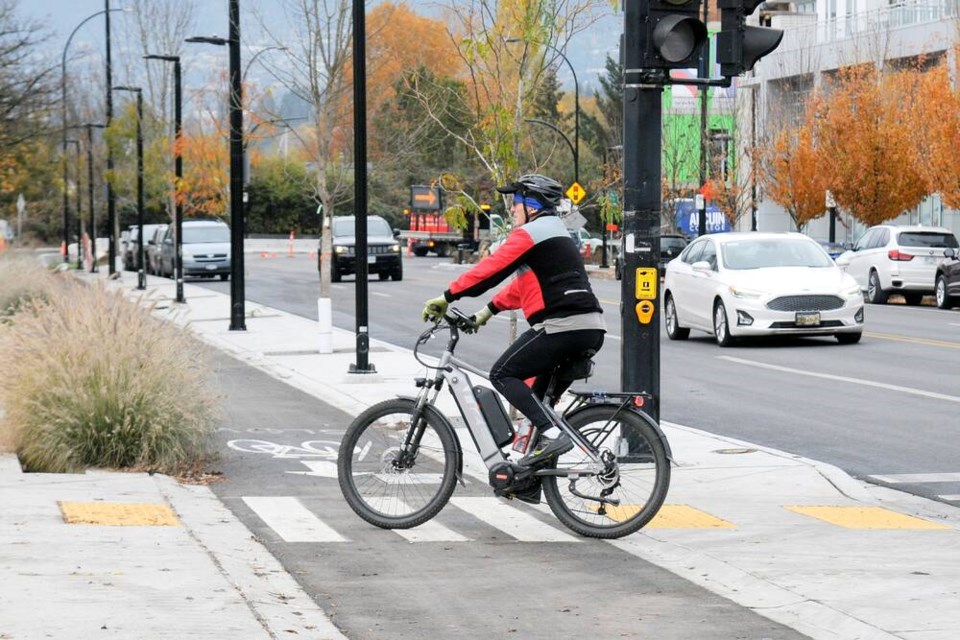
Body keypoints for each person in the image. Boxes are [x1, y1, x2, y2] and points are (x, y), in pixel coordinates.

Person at [421, 174, 605, 467]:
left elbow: (490, 270)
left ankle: (552, 435)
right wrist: (487, 312)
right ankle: (529, 479)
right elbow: (526, 284)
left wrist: (448, 296)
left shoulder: (529, 234)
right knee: (538, 405)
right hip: (589, 328)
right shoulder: (556, 232)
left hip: (561, 326)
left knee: (503, 374)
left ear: (531, 205)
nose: (511, 209)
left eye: (515, 203)